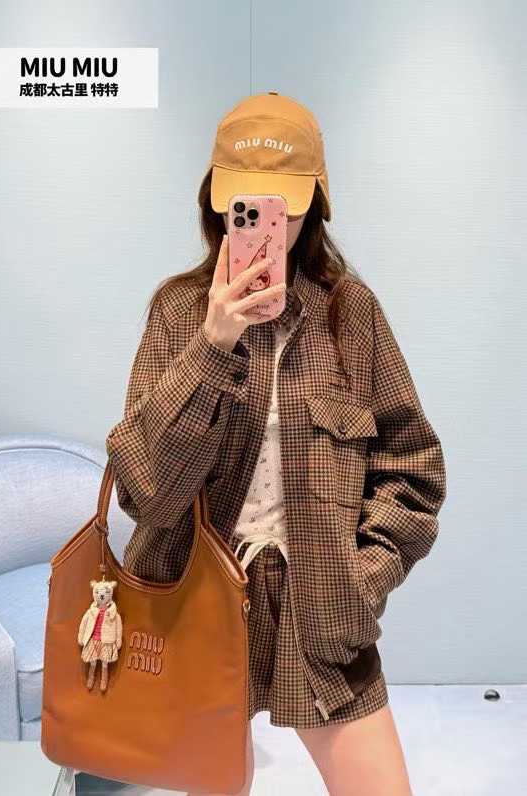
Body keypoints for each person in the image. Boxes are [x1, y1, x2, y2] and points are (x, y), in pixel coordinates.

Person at [105, 92, 447, 796]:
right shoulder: (178, 312)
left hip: (323, 607)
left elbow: (412, 468)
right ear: (219, 205)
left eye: (284, 207)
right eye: (250, 207)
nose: (271, 225)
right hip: (192, 608)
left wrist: (362, 579)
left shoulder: (352, 315)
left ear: (314, 203)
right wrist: (213, 344)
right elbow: (146, 493)